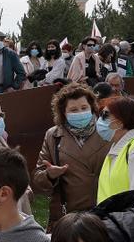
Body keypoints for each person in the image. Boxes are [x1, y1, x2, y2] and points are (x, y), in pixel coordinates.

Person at [32, 84, 109, 227]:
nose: (80, 113)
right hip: (68, 214)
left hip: (104, 210)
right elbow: (38, 178)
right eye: (73, 110)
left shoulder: (107, 132)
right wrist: (49, 174)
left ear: (92, 107)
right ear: (63, 113)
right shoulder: (53, 135)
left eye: (84, 108)